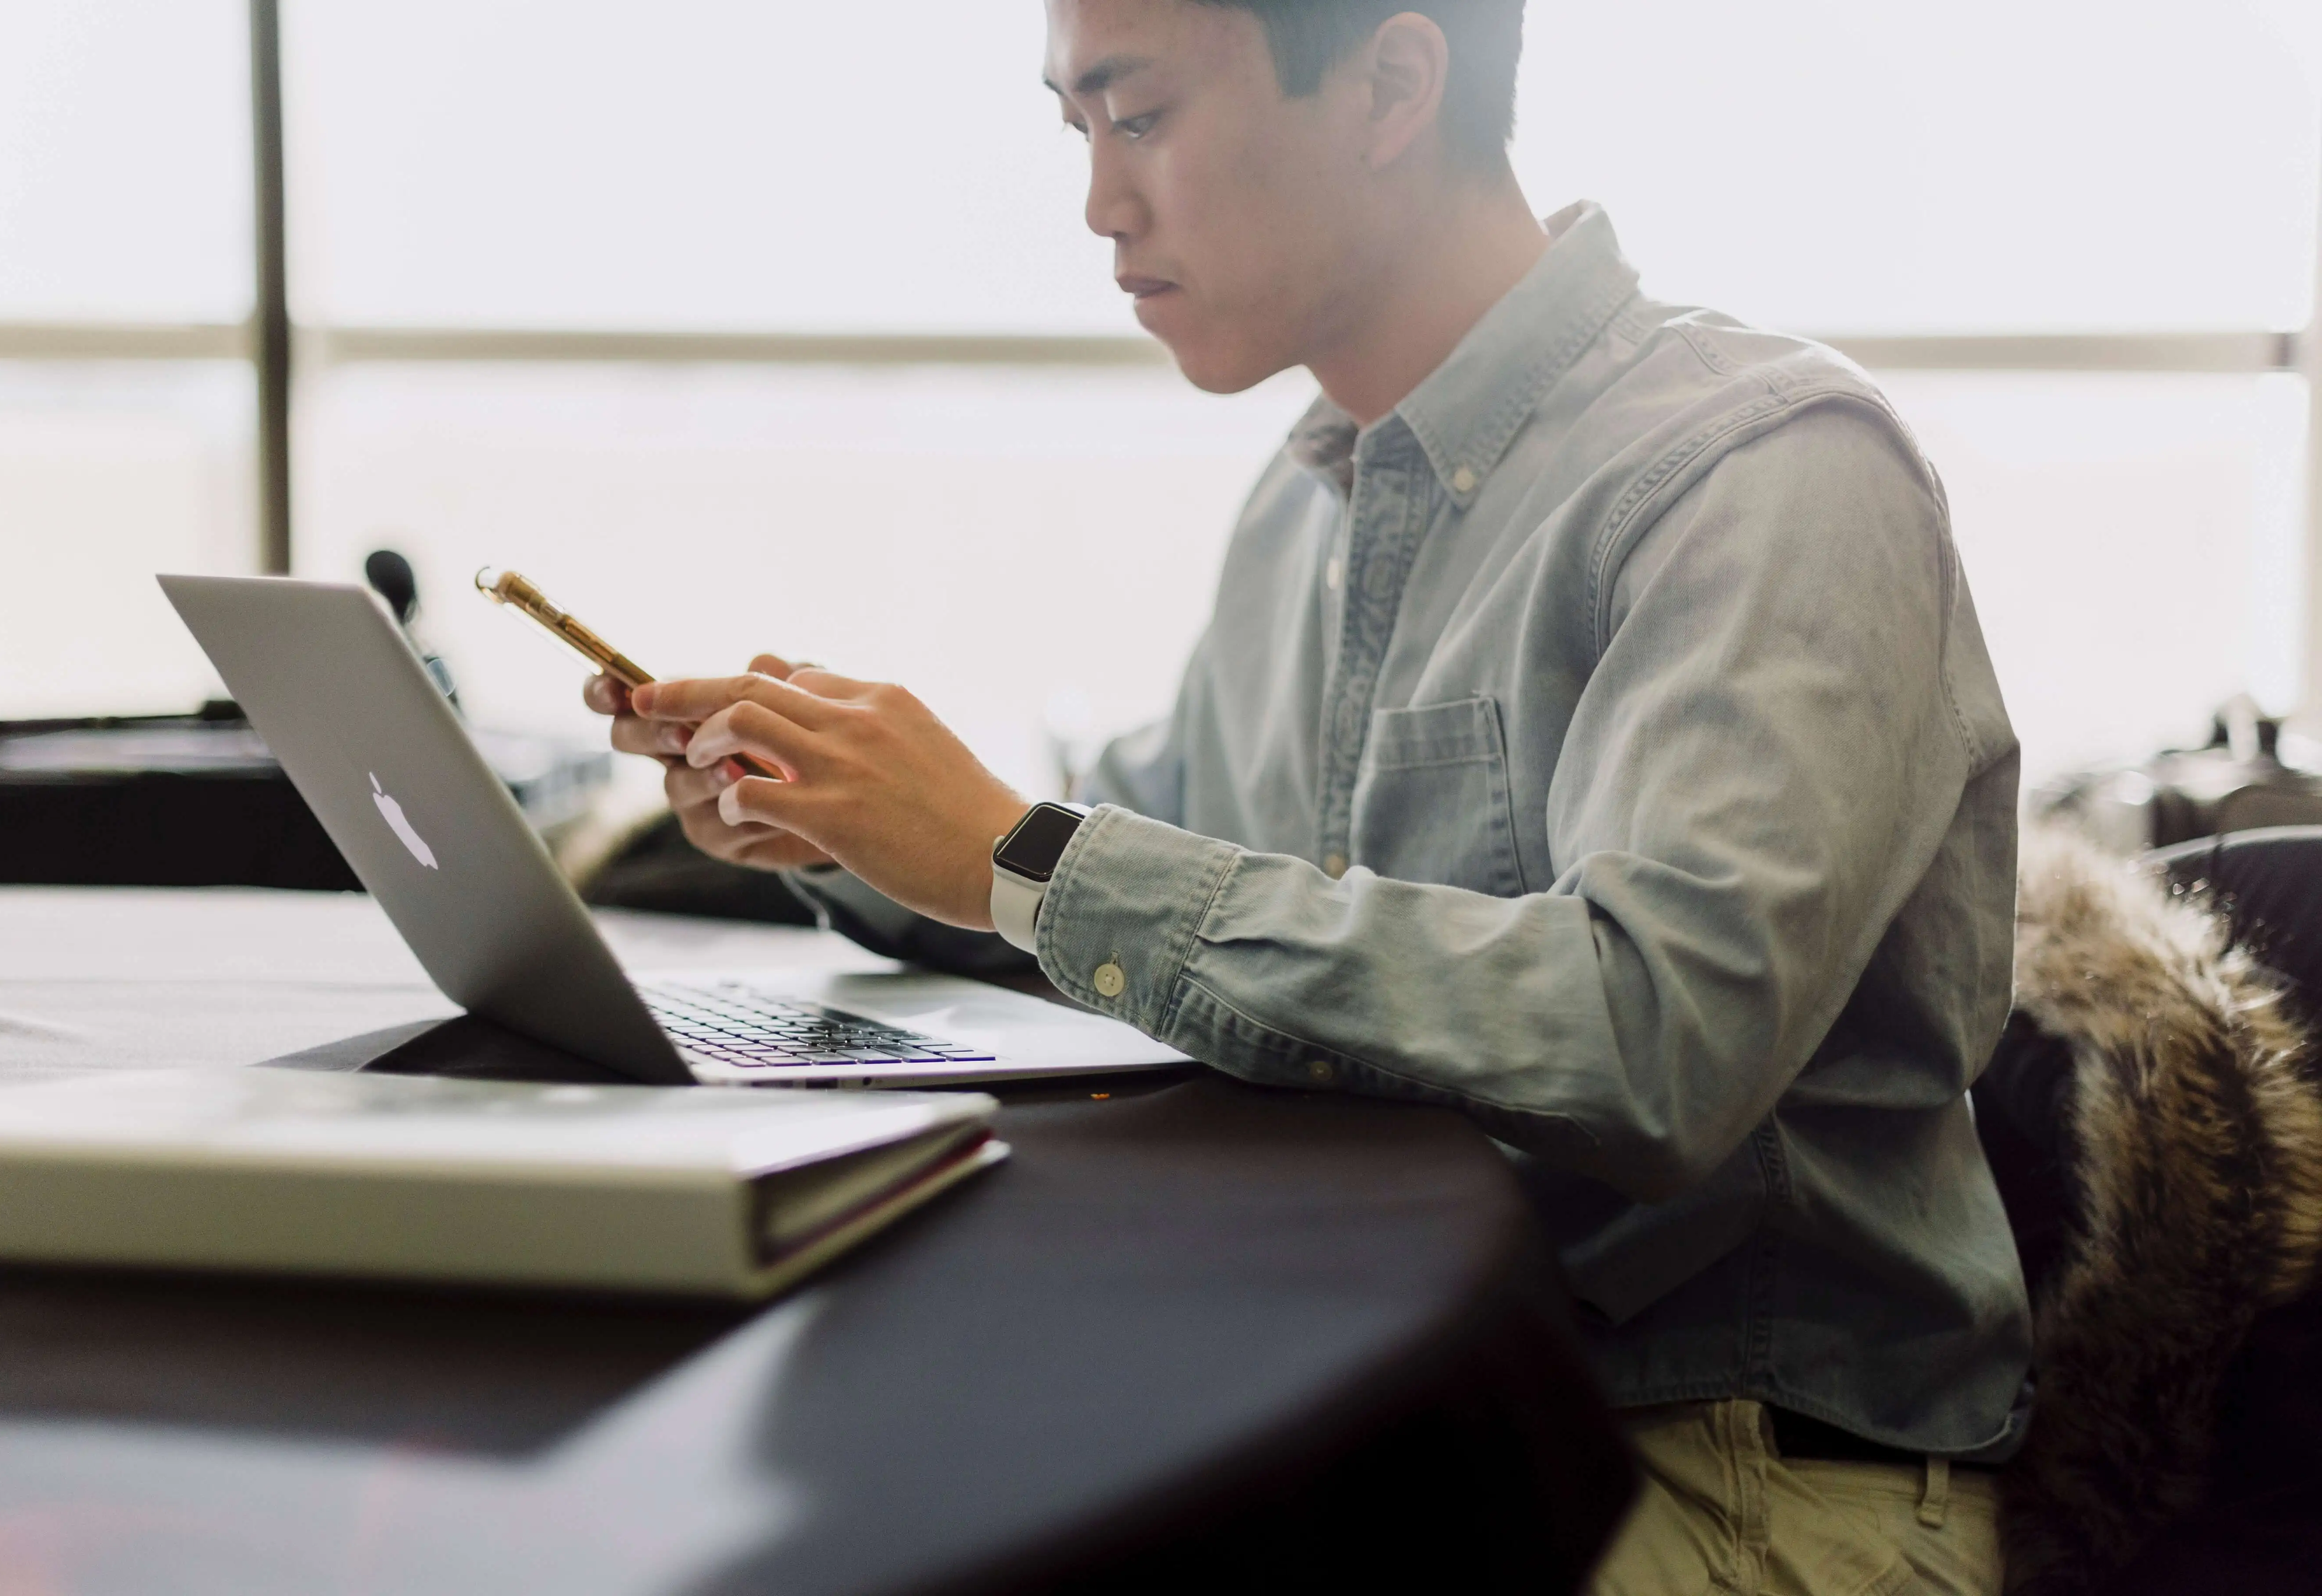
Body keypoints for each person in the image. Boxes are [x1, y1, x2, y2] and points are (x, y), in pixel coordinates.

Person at [589, 2, 2027, 1589]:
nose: (1099, 206)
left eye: (1136, 116)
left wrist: (1020, 853)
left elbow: (1656, 1037)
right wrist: (851, 827)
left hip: (1717, 1457)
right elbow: (1140, 888)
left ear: (1393, 85)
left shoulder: (1763, 473)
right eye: (1077, 131)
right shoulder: (1306, 508)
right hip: (1383, 1389)